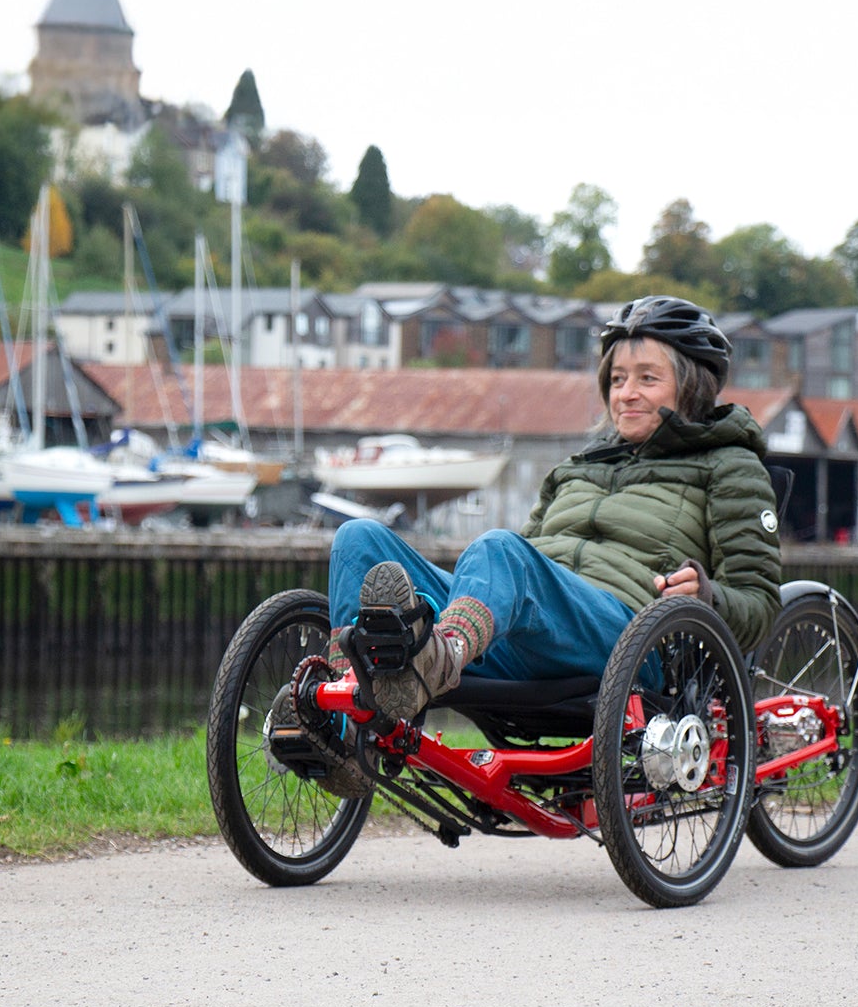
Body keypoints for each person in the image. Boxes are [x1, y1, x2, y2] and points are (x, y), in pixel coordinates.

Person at [325, 295, 783, 728]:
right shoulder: (576, 469)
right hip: (523, 640)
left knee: (501, 550)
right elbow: (523, 573)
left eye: (647, 378)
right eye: (618, 379)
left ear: (692, 387)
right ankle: (346, 725)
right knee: (359, 539)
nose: (626, 394)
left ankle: (438, 658)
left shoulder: (730, 466)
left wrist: (708, 596)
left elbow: (759, 603)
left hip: (626, 640)